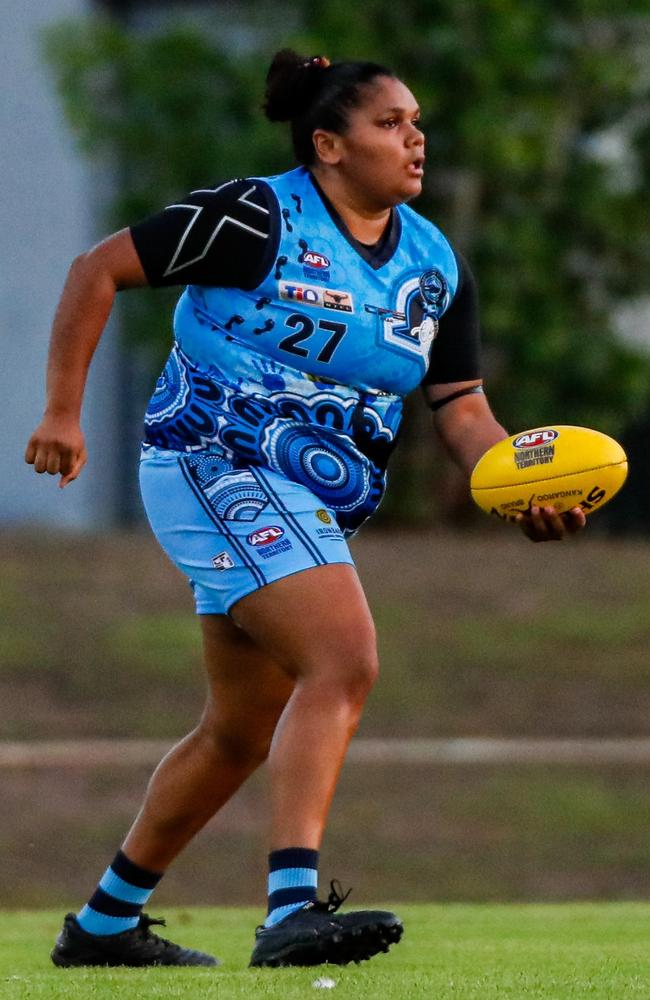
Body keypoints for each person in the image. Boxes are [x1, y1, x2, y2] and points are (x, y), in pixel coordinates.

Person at [25, 48, 586, 970]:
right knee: (344, 659)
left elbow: (463, 408)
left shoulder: (434, 263)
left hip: (304, 499)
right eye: (389, 123)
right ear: (327, 144)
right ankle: (291, 905)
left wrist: (516, 484)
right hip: (212, 461)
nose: (415, 139)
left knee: (240, 731)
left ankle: (104, 924)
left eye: (416, 123)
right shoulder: (257, 216)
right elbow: (98, 271)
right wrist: (60, 411)